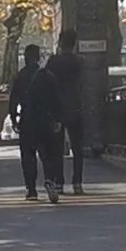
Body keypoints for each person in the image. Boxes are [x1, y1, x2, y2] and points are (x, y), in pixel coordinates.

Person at [8, 43, 64, 202]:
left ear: (25, 58)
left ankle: (31, 189)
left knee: (28, 156)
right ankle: (50, 180)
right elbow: (56, 99)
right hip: (46, 120)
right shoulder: (47, 75)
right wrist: (58, 119)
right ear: (38, 58)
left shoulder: (20, 76)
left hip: (27, 120)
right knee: (48, 154)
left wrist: (14, 118)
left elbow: (14, 100)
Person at [45, 28, 86, 194]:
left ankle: (59, 182)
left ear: (60, 43)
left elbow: (47, 83)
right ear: (74, 43)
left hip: (58, 108)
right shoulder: (80, 61)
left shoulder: (53, 62)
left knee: (57, 148)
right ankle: (77, 182)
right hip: (75, 106)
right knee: (78, 148)